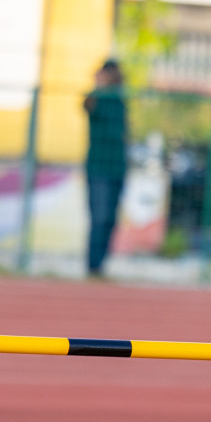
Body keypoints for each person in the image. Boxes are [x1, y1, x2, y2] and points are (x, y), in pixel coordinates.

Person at [83, 59, 129, 277]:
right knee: (99, 217)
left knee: (110, 218)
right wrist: (99, 84)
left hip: (118, 168)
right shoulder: (97, 98)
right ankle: (93, 265)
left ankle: (101, 264)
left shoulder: (121, 100)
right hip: (98, 168)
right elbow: (86, 105)